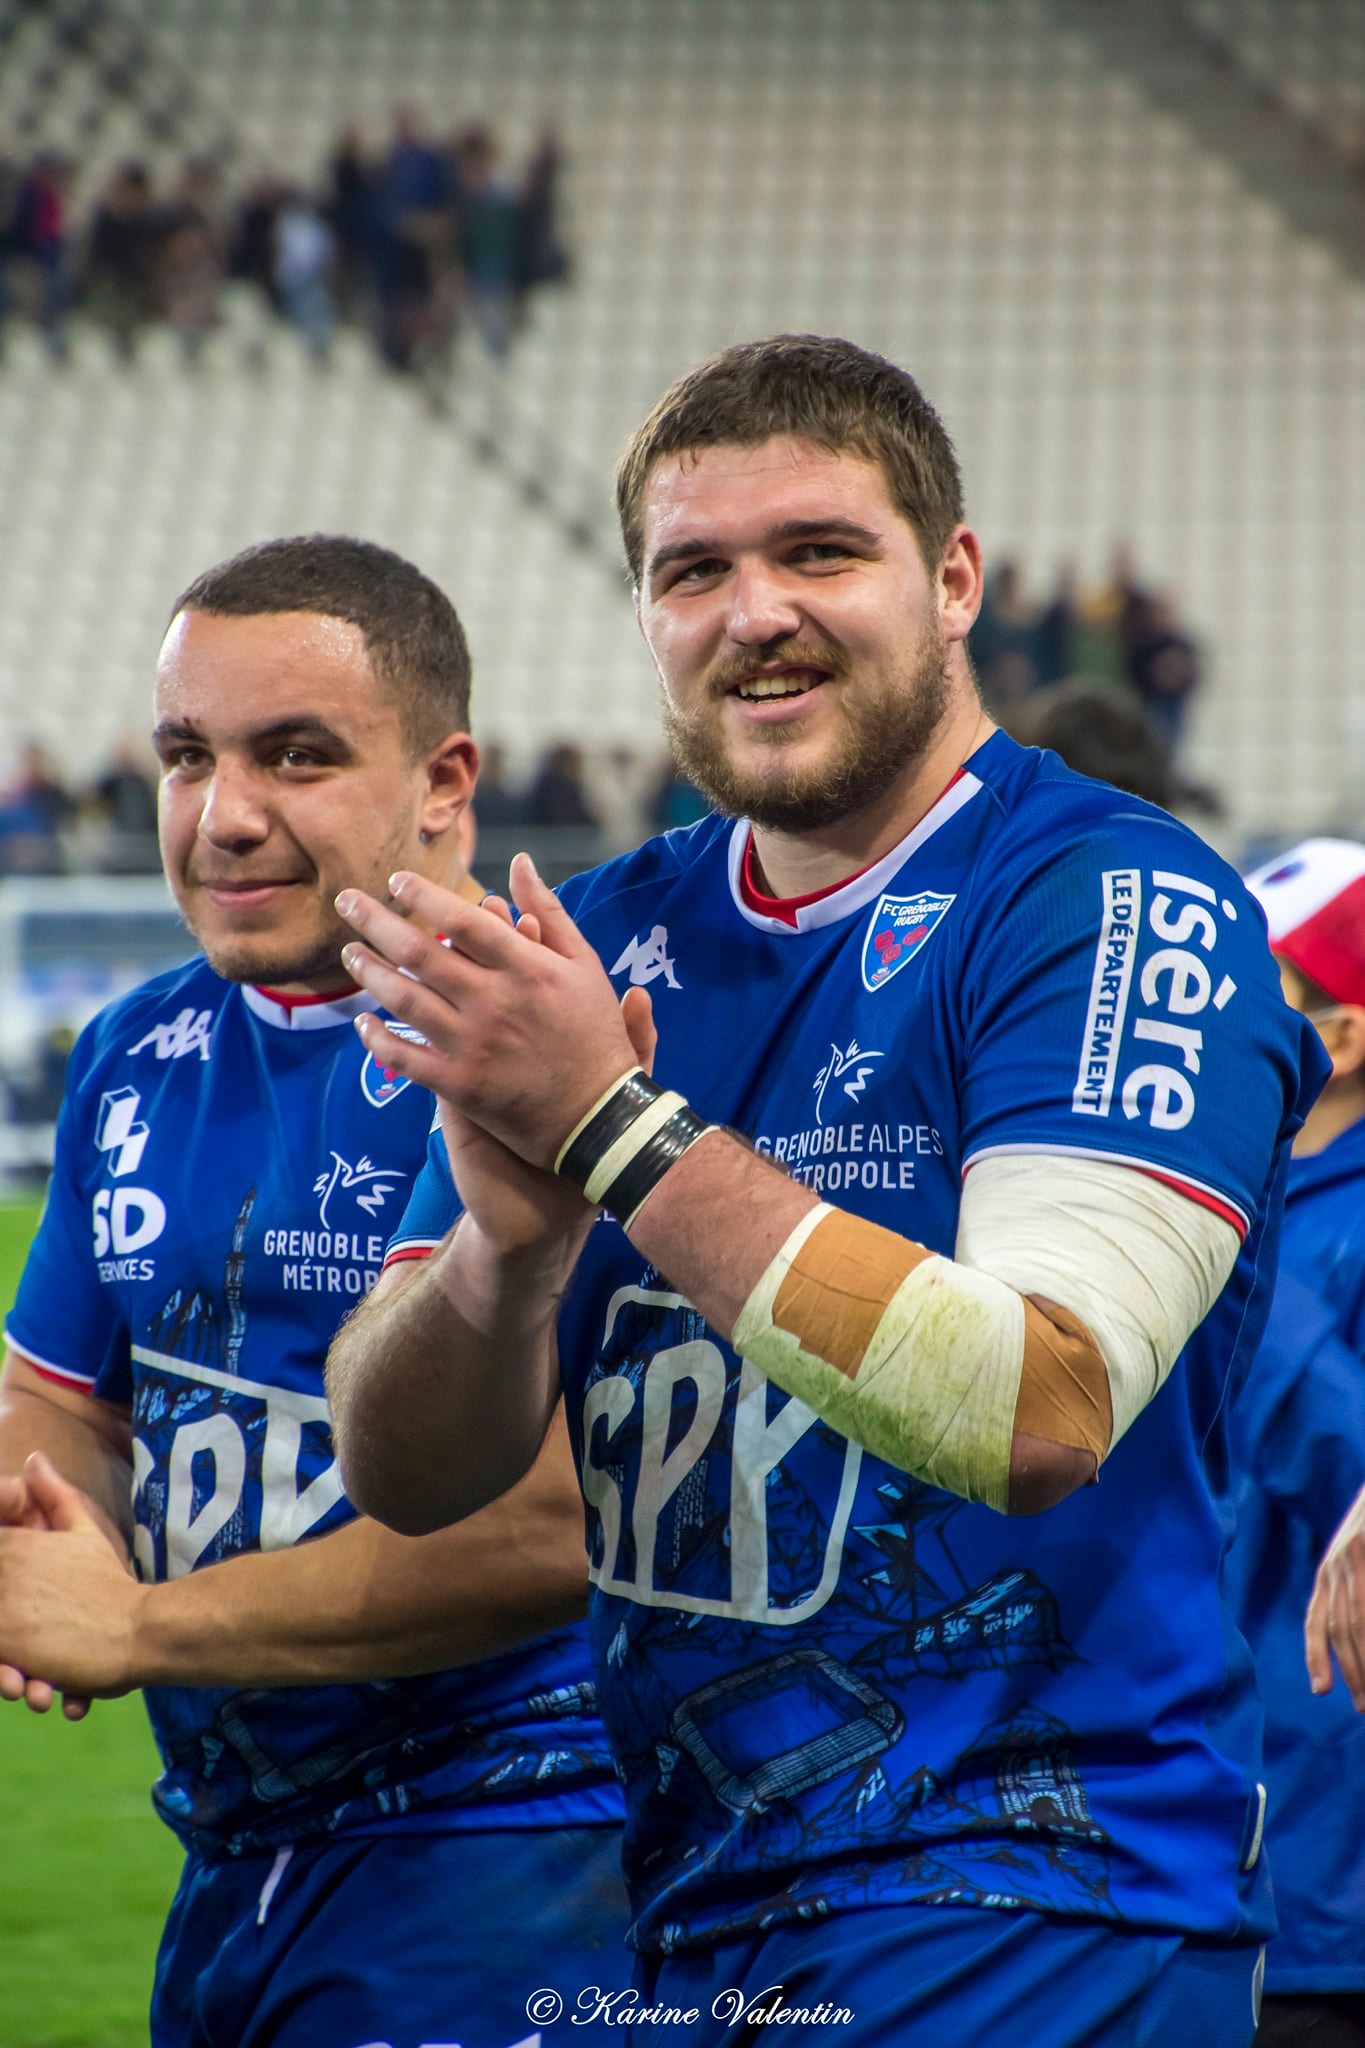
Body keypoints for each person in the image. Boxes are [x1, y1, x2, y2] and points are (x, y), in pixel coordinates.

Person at [324, 335, 1323, 2047]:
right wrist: (503, 1246)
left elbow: (1040, 1397)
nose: (753, 611)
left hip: (1040, 1901)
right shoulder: (609, 937)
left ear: (952, 581)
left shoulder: (1114, 898)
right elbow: (407, 1472)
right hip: (687, 1905)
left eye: (820, 553)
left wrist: (614, 1127)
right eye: (692, 569)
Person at [0, 535, 629, 2048]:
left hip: (509, 1853)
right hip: (232, 1856)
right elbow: (59, 1397)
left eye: (295, 755)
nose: (224, 817)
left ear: (443, 783)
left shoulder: (555, 1042)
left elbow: (547, 1530)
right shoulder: (137, 1048)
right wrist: (45, 1532)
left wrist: (139, 1627)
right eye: (184, 755)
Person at [1231, 840, 1365, 2047]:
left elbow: (1347, 1453)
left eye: (1251, 982)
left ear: (1345, 1033)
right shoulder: (1251, 1189)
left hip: (1328, 1806)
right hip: (1228, 1780)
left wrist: (1233, 1261)